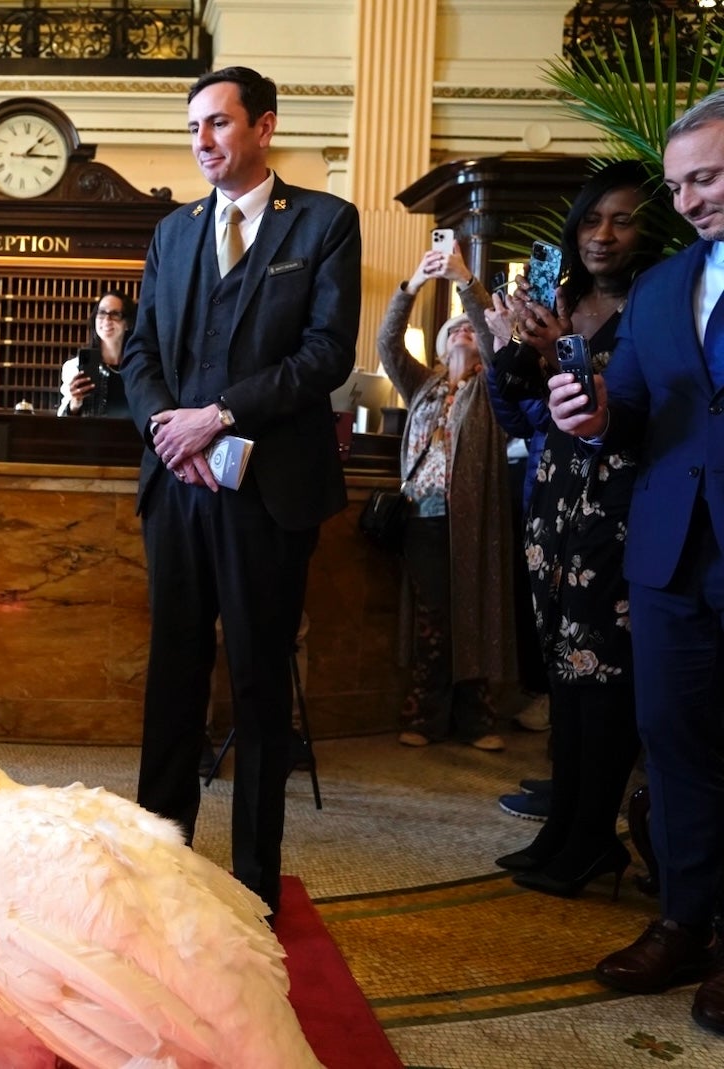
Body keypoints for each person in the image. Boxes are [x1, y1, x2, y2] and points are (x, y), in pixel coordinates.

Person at [117, 66, 361, 913]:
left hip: (269, 494)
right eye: (194, 128)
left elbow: (325, 355)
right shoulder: (173, 231)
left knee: (258, 685)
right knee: (173, 676)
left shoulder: (325, 223)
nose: (203, 142)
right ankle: (159, 862)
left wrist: (214, 415)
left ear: (264, 126)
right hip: (177, 486)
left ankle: (255, 882)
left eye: (218, 124)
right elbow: (141, 350)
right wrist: (163, 427)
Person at [548, 91, 724, 1034]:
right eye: (682, 183)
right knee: (678, 747)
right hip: (668, 555)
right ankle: (685, 921)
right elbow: (638, 413)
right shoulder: (662, 288)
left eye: (711, 176)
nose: (693, 199)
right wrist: (597, 416)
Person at [486, 161, 655, 899]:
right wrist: (509, 344)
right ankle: (563, 829)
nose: (603, 234)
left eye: (621, 219)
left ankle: (593, 837)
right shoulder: (564, 297)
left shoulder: (653, 304)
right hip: (553, 502)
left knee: (603, 678)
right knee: (563, 671)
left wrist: (558, 355)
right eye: (591, 219)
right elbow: (515, 408)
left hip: (618, 506)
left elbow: (649, 409)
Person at [377, 245, 513, 753]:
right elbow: (388, 344)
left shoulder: (495, 385)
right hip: (423, 518)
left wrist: (463, 280)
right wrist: (411, 285)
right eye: (452, 329)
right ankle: (426, 716)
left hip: (477, 520)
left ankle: (478, 720)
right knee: (434, 616)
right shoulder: (423, 386)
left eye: (469, 328)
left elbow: (495, 337)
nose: (461, 330)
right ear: (438, 350)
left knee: (474, 613)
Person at [58, 290, 134, 417]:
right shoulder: (74, 367)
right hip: (91, 436)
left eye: (115, 314)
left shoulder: (138, 367)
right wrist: (75, 402)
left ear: (127, 323)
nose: (107, 319)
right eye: (102, 313)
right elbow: (62, 422)